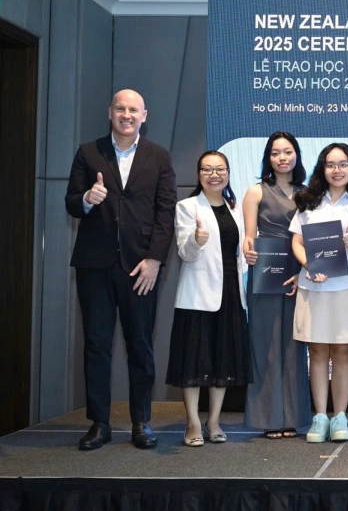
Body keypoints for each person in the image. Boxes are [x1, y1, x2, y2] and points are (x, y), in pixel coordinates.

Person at [64, 89, 176, 451]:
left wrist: (156, 260)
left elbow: (165, 212)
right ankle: (99, 423)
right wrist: (86, 199)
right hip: (94, 264)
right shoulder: (88, 152)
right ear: (109, 111)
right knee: (96, 344)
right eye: (120, 109)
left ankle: (141, 422)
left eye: (133, 110)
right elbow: (71, 203)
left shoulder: (159, 156)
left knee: (140, 345)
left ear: (145, 115)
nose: (126, 115)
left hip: (140, 266)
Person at [166, 151, 250, 447]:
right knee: (193, 360)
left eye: (220, 169)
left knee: (222, 359)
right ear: (199, 173)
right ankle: (192, 423)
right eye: (207, 169)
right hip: (198, 295)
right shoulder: (187, 207)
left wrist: (249, 256)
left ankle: (213, 421)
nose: (215, 174)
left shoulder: (235, 207)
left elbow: (239, 252)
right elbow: (184, 253)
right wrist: (196, 240)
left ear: (228, 172)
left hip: (230, 293)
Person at [290, 143, 348, 444]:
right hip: (313, 285)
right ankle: (320, 416)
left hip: (347, 288)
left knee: (342, 354)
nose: (337, 170)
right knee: (317, 353)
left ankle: (340, 416)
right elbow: (297, 243)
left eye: (343, 164)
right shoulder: (307, 203)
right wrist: (307, 264)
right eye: (331, 164)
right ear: (322, 169)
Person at [241, 132, 311, 439]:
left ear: (296, 155)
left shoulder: (308, 193)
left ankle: (294, 417)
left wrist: (304, 271)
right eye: (275, 153)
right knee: (265, 346)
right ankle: (269, 417)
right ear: (268, 158)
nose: (282, 158)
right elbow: (248, 236)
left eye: (287, 151)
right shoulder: (256, 191)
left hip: (299, 274)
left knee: (295, 347)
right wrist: (247, 249)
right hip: (265, 275)